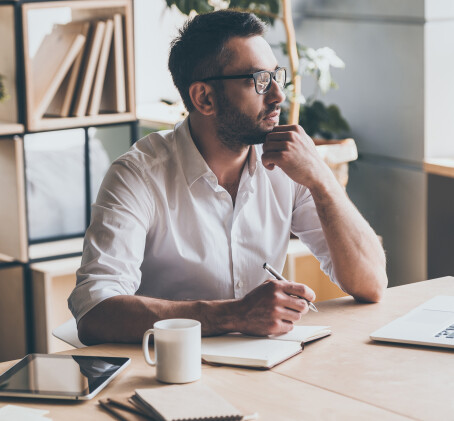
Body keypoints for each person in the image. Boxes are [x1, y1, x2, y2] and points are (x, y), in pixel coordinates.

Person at [69, 10, 387, 345]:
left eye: (277, 76)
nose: (279, 95)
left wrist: (322, 180)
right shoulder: (138, 176)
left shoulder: (291, 165)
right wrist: (233, 315)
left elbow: (371, 283)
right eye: (259, 81)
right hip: (169, 373)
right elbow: (95, 312)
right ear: (204, 98)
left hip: (268, 365)